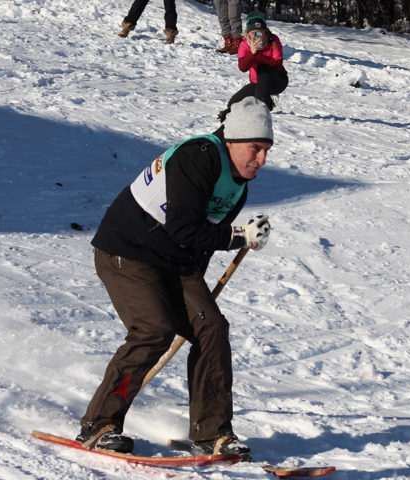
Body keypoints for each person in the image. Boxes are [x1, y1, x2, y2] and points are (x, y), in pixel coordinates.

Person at [75, 97, 274, 459]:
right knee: (154, 329)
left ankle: (212, 433)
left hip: (176, 262)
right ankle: (98, 425)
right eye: (255, 148)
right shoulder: (197, 156)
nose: (261, 159)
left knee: (211, 327)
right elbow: (185, 227)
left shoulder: (238, 185)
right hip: (128, 251)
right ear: (232, 141)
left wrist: (197, 301)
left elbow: (202, 240)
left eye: (266, 150)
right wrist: (237, 237)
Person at [219, 12, 289, 120]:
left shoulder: (273, 40)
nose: (257, 36)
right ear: (248, 32)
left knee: (262, 67)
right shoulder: (244, 43)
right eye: (253, 33)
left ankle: (262, 110)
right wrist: (251, 53)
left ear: (265, 31)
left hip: (277, 81)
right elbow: (243, 68)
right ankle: (269, 102)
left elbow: (278, 65)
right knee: (233, 104)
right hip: (258, 83)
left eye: (260, 32)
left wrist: (259, 56)